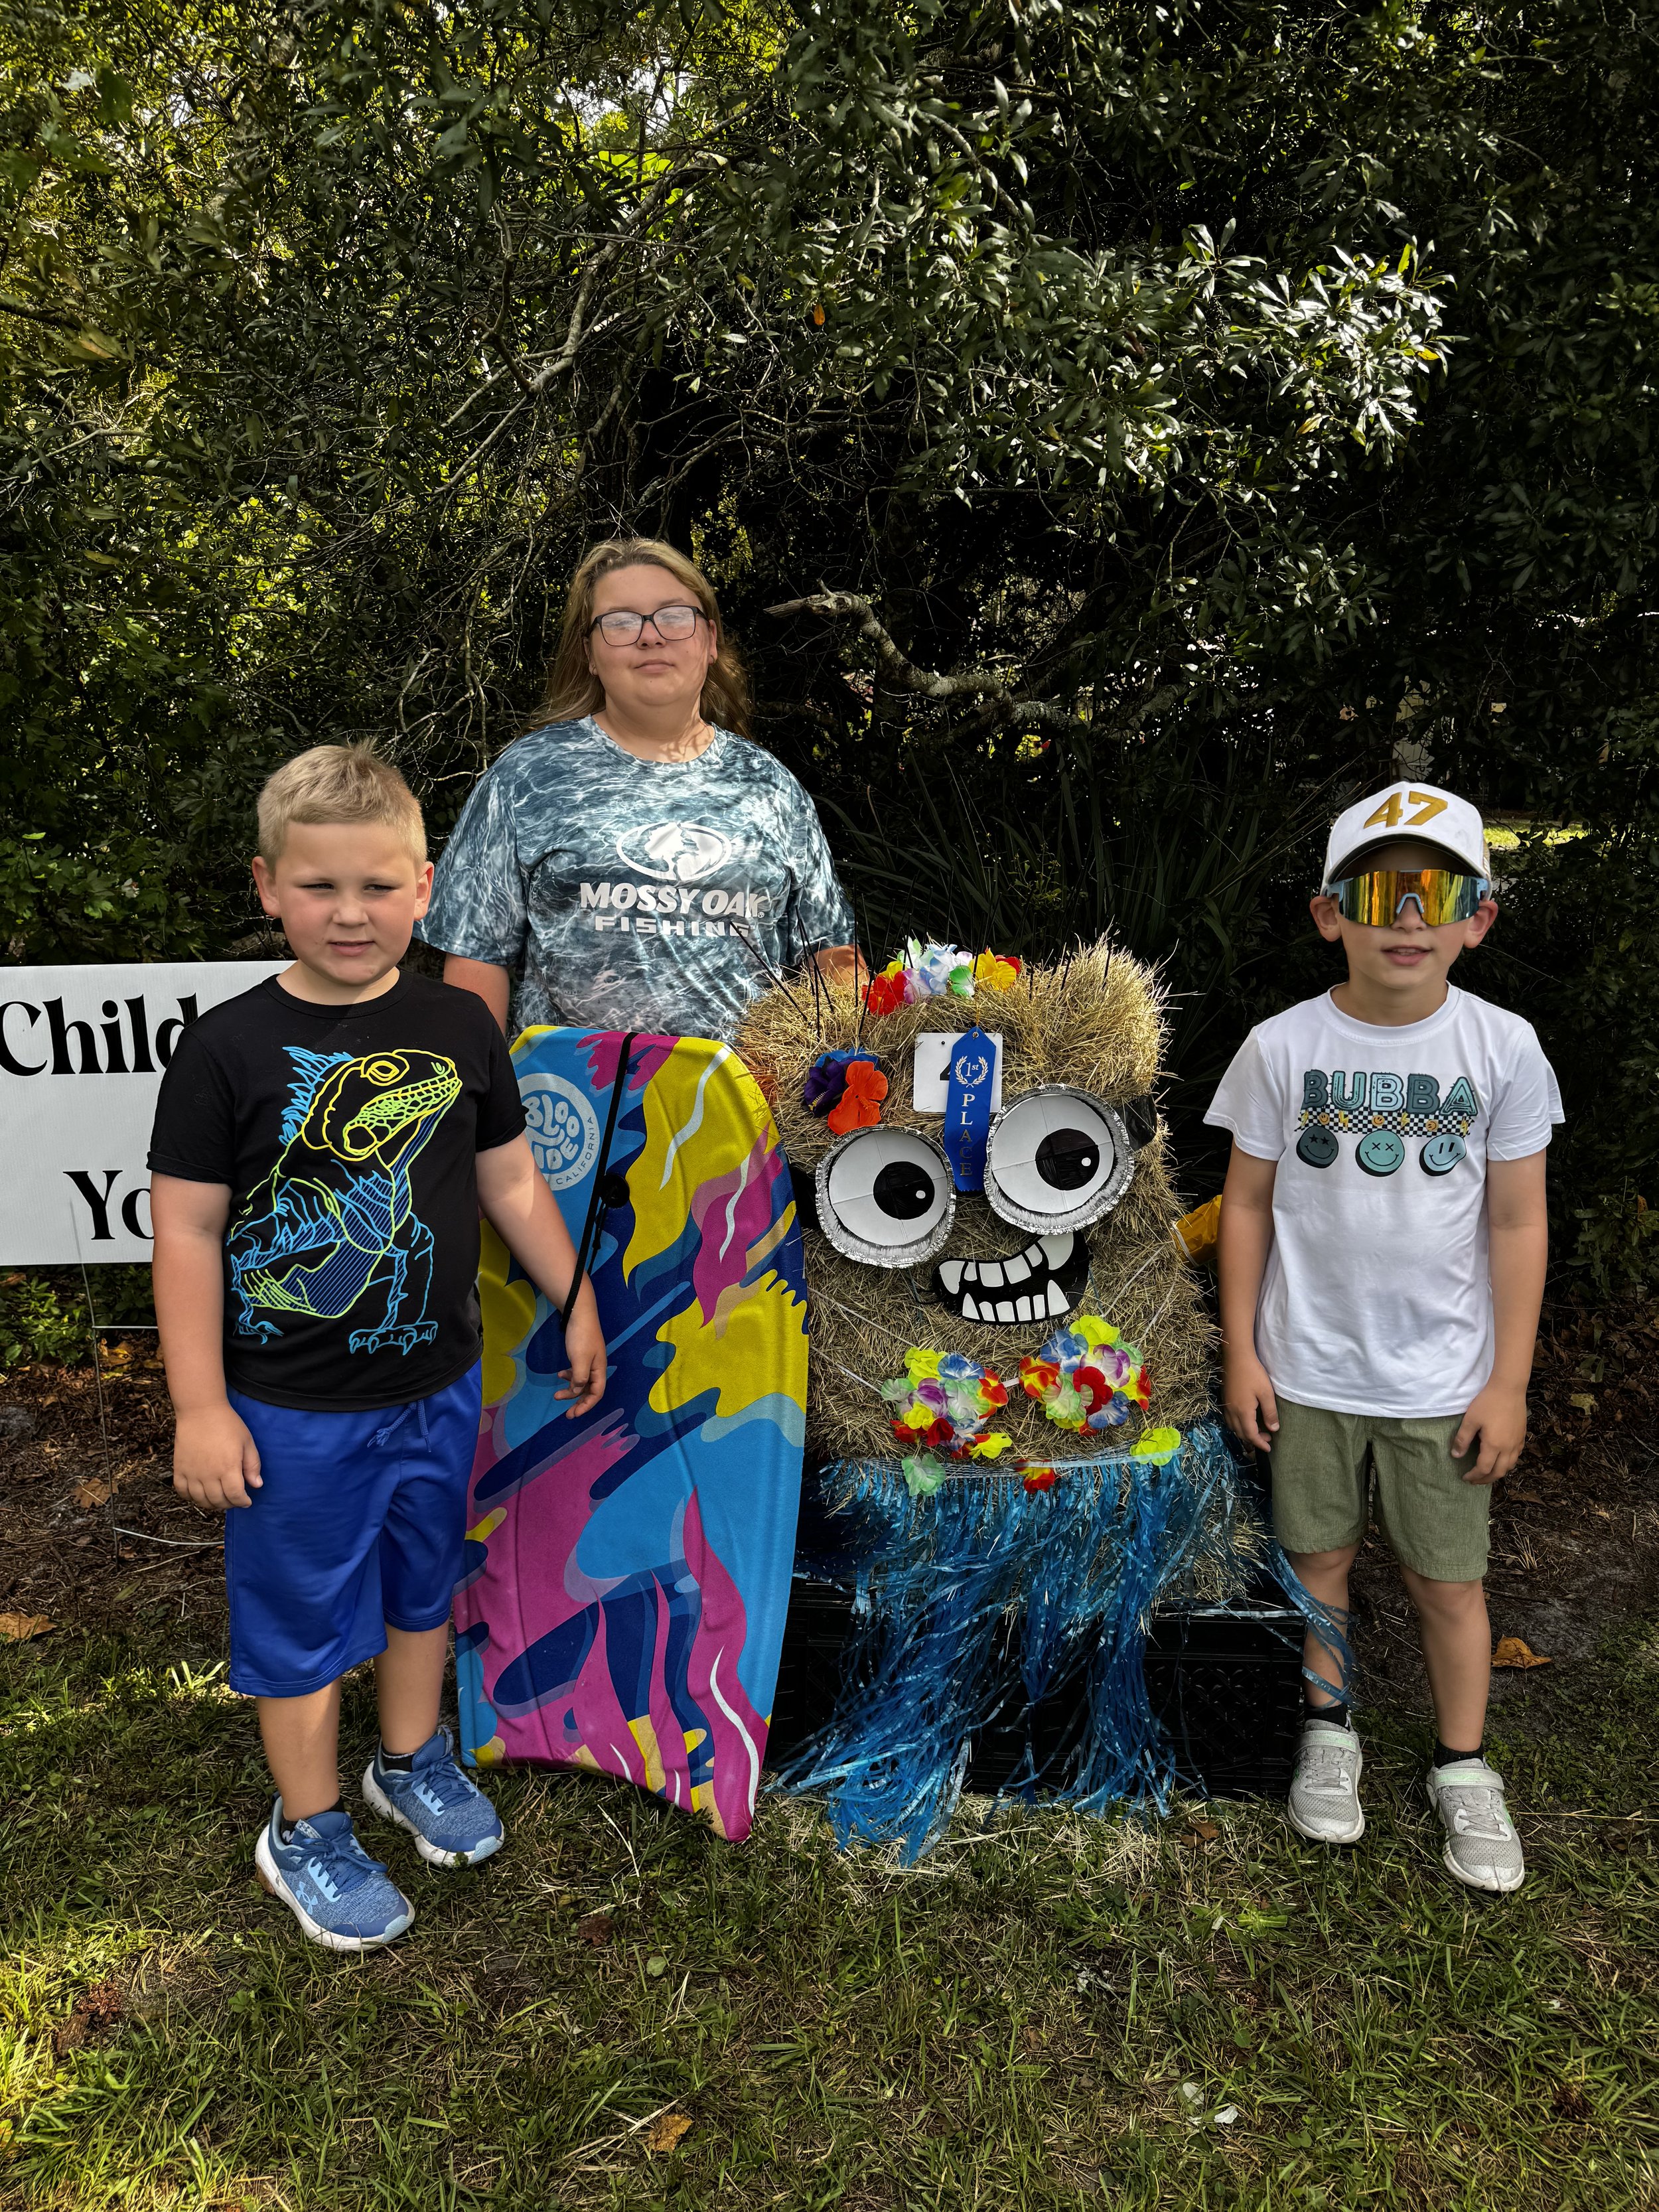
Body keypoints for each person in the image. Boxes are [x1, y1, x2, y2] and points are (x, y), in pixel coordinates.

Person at [148, 747, 607, 1953]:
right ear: (268, 887)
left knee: (421, 1584)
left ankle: (408, 1759)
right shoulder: (226, 1047)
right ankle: (304, 1822)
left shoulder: (459, 1021)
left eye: (376, 886)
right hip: (291, 1405)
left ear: (425, 887)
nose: (349, 914)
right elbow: (188, 1229)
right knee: (300, 1617)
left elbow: (507, 1175)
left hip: (436, 1386)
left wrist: (573, 1295)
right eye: (319, 887)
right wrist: (201, 1406)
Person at [1208, 780, 1560, 1893]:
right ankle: (1330, 1730)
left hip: (1442, 1378)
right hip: (1308, 1366)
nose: (1406, 917)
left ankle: (1464, 1767)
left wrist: (1508, 1380)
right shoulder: (1281, 1046)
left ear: (1477, 917)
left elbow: (1517, 1219)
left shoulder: (1502, 1048)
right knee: (1318, 1561)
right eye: (1378, 890)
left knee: (1450, 1580)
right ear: (1331, 913)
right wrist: (1244, 1352)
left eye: (1436, 892)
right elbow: (1248, 1206)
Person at [418, 536, 860, 1038]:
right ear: (589, 653)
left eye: (674, 615)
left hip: (745, 1106)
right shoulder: (526, 777)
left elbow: (833, 959)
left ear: (710, 641)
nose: (650, 637)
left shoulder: (770, 787)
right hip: (565, 1105)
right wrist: (480, 1103)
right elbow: (477, 960)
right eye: (621, 622)